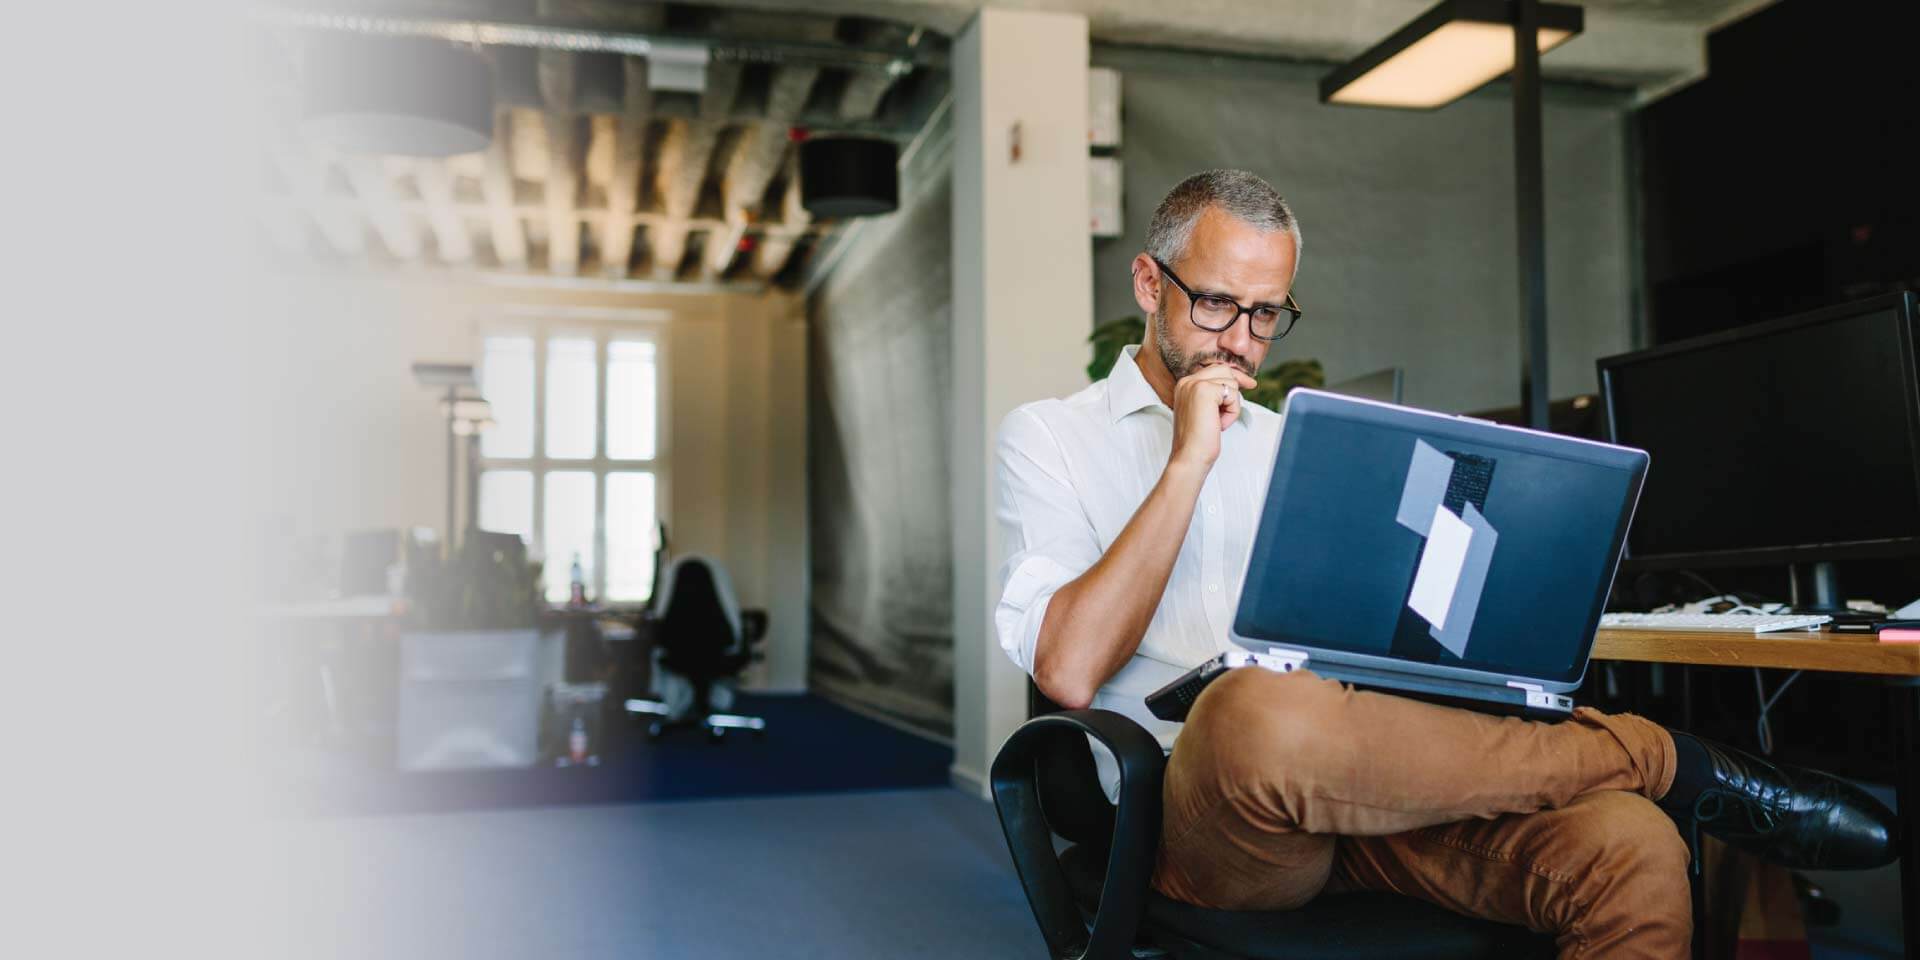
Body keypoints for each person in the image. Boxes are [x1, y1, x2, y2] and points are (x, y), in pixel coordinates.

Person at [992, 169, 1895, 959]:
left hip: (1372, 782)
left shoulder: (1299, 442)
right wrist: (1189, 461)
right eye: (1217, 303)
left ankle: (1653, 780)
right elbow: (1068, 669)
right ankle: (1668, 757)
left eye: (1267, 314)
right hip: (1201, 815)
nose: (1239, 340)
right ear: (1150, 283)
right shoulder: (1050, 439)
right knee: (1253, 709)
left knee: (1632, 844)